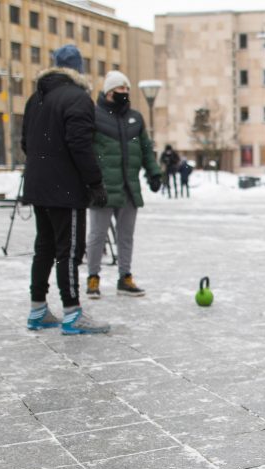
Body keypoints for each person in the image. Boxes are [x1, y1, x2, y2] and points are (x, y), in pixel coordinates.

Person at [21, 44, 109, 335]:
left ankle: (38, 309)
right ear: (78, 69)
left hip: (38, 185)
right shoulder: (78, 98)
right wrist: (94, 182)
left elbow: (26, 143)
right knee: (69, 250)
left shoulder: (36, 99)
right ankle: (72, 314)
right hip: (65, 188)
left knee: (44, 248)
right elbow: (80, 144)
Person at [85, 71, 162, 300]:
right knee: (97, 235)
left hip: (129, 186)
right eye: (121, 89)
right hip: (103, 188)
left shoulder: (135, 118)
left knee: (126, 235)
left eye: (127, 90)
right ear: (109, 92)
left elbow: (146, 149)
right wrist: (89, 179)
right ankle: (93, 277)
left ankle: (125, 277)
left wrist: (154, 173)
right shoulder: (95, 117)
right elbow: (86, 149)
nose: (125, 93)